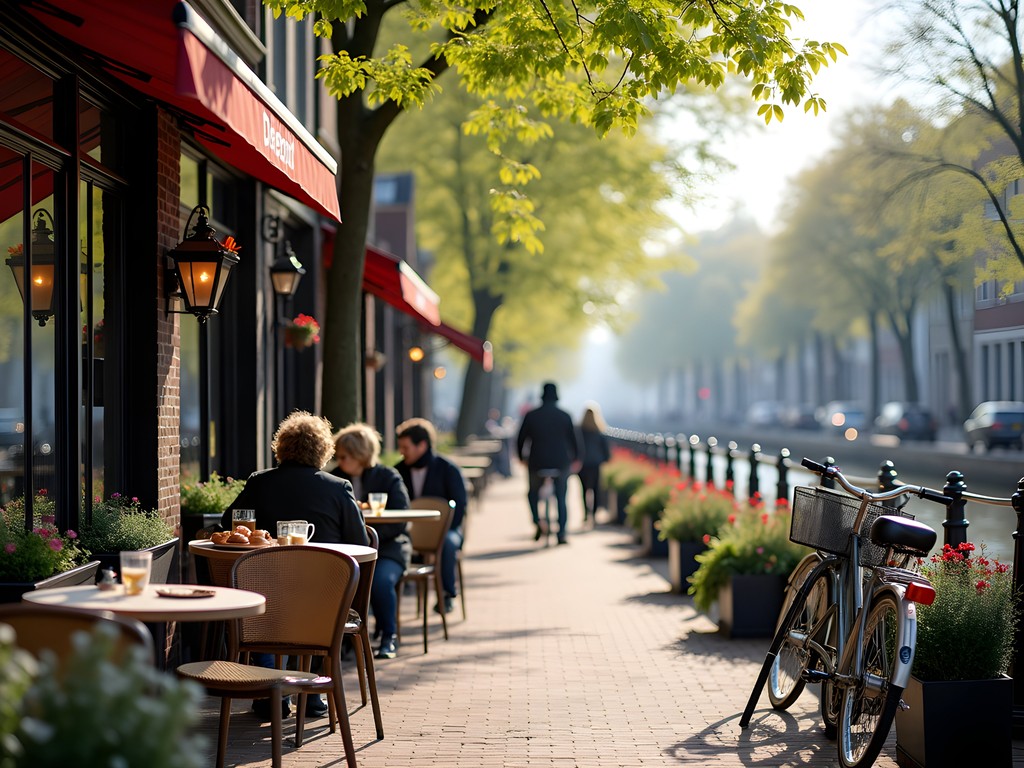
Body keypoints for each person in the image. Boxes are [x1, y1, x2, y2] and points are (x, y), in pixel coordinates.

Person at [221, 410, 369, 720]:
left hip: (267, 592)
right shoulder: (338, 488)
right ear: (323, 449)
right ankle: (311, 695)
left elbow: (230, 524)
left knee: (264, 607)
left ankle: (267, 695)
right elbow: (359, 543)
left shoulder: (260, 482)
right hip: (321, 597)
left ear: (282, 446)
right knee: (318, 609)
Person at [332, 422, 411, 660]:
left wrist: (369, 540)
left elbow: (400, 520)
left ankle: (389, 637)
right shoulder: (335, 478)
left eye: (344, 455)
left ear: (359, 455)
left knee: (380, 581)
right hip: (348, 553)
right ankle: (342, 640)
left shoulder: (388, 477)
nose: (339, 460)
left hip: (389, 548)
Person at [394, 417, 467, 615]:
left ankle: (446, 595)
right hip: (409, 532)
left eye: (405, 447)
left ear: (422, 445)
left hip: (446, 530)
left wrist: (445, 529)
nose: (401, 451)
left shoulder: (448, 469)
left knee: (448, 543)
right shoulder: (398, 471)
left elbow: (459, 506)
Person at [516, 382, 581, 545]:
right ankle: (562, 533)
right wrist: (576, 459)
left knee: (532, 493)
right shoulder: (565, 416)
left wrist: (521, 458)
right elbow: (575, 441)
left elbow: (520, 439)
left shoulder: (531, 415)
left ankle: (538, 522)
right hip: (560, 462)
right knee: (561, 497)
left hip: (537, 461)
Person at [577, 402, 611, 526]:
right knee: (596, 489)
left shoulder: (579, 430)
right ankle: (595, 514)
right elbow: (605, 448)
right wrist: (606, 459)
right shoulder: (599, 430)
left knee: (584, 489)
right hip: (596, 463)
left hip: (583, 464)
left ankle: (586, 513)